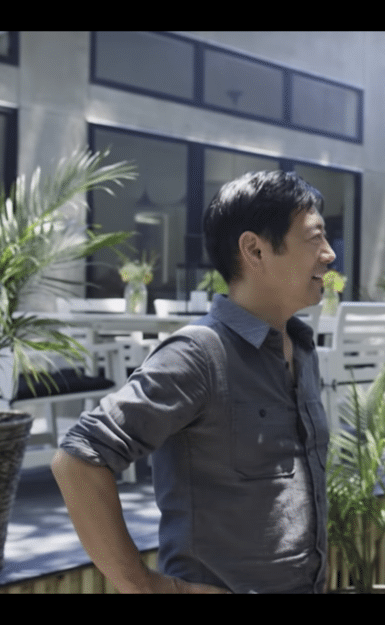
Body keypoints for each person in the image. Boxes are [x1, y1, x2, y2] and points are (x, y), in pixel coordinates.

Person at [51, 170, 336, 593]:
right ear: (255, 250)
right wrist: (147, 586)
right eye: (314, 238)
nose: (329, 254)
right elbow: (78, 460)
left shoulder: (302, 347)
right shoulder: (199, 354)